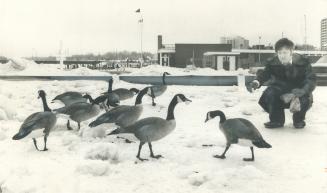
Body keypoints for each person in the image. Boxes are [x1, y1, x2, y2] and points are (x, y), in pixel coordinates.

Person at [247, 38, 316, 129]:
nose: (282, 56)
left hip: (298, 92)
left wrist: (303, 90)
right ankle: (276, 120)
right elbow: (264, 74)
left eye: (285, 53)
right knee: (270, 92)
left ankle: (298, 120)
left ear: (291, 52)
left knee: (304, 99)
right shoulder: (272, 62)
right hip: (280, 92)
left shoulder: (303, 62)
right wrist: (256, 82)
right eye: (279, 53)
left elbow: (310, 79)